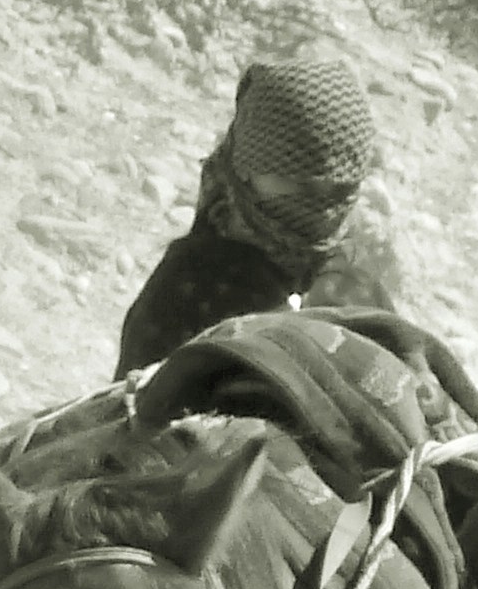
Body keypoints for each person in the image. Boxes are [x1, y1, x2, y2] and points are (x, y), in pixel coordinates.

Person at [116, 54, 402, 374]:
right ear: (246, 167)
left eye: (337, 191)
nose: (319, 208)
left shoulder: (355, 290)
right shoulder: (189, 295)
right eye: (293, 184)